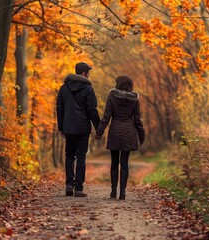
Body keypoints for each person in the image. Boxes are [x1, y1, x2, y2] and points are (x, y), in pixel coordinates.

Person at [95, 76, 145, 200]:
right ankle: (122, 193)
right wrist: (141, 136)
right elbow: (137, 120)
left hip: (115, 132)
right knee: (124, 164)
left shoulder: (112, 96)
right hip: (129, 132)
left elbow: (107, 116)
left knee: (114, 163)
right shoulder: (135, 99)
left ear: (119, 84)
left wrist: (99, 132)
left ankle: (113, 191)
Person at [56, 62, 100, 197]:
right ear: (84, 74)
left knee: (69, 155)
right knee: (81, 157)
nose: (89, 75)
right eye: (88, 73)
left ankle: (69, 184)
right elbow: (92, 110)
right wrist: (99, 128)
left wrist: (61, 127)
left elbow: (60, 108)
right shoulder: (88, 89)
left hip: (68, 127)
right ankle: (79, 188)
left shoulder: (63, 88)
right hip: (82, 128)